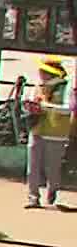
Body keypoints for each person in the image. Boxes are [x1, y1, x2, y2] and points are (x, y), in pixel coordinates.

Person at [24, 56, 72, 209]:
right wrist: (29, 107)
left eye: (43, 70)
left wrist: (46, 106)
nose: (40, 73)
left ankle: (52, 194)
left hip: (56, 133)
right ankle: (33, 198)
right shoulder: (38, 86)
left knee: (52, 168)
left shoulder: (66, 87)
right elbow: (31, 102)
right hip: (37, 129)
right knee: (33, 167)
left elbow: (68, 108)